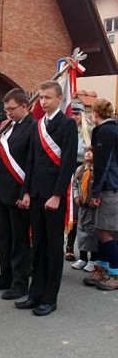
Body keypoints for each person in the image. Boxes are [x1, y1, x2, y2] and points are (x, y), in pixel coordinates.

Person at [16, 80, 77, 316]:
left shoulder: (67, 124)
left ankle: (50, 299)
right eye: (41, 97)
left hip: (53, 197)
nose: (43, 101)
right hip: (36, 195)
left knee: (52, 248)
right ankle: (35, 294)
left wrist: (57, 195)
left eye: (48, 97)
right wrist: (26, 192)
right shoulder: (38, 124)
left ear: (59, 99)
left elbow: (68, 162)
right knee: (38, 246)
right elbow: (31, 161)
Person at [0, 88, 33, 300]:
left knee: (19, 240)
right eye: (6, 109)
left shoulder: (32, 128)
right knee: (3, 238)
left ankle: (20, 283)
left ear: (24, 106)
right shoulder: (9, 127)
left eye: (11, 109)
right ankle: (5, 276)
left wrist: (26, 192)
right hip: (3, 191)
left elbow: (32, 163)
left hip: (18, 193)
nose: (8, 113)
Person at [83, 99, 118, 290]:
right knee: (101, 229)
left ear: (95, 114)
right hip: (111, 186)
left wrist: (95, 193)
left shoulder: (105, 132)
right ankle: (102, 268)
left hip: (109, 188)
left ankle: (115, 273)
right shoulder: (112, 129)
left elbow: (103, 165)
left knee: (105, 231)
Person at [65, 102, 93, 261]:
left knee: (78, 209)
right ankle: (69, 246)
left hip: (83, 171)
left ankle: (83, 250)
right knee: (69, 209)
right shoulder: (66, 130)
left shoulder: (89, 131)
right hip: (68, 170)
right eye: (72, 113)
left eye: (77, 114)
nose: (74, 117)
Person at [71, 147, 98, 272]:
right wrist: (76, 196)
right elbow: (75, 184)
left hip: (93, 206)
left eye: (91, 152)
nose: (88, 153)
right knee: (81, 231)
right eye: (87, 151)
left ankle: (93, 259)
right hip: (82, 205)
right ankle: (82, 258)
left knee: (92, 232)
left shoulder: (97, 171)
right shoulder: (80, 169)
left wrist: (96, 198)